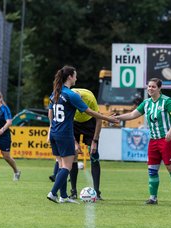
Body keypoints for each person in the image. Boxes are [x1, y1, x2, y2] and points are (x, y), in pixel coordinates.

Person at [46, 65, 118, 204]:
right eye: (75, 75)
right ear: (70, 77)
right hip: (65, 134)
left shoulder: (55, 92)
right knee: (67, 166)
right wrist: (108, 118)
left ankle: (64, 196)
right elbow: (89, 112)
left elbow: (50, 112)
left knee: (61, 165)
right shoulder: (71, 95)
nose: (76, 78)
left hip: (54, 132)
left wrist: (51, 127)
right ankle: (53, 193)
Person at [116, 78, 171, 205]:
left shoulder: (167, 101)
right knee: (152, 170)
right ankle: (153, 198)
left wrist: (170, 132)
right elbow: (133, 115)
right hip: (153, 140)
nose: (150, 89)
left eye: (153, 87)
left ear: (159, 88)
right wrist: (116, 118)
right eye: (149, 86)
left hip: (166, 139)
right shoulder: (147, 103)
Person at [49, 88, 103, 200]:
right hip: (73, 124)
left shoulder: (89, 97)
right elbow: (64, 121)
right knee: (72, 155)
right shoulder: (68, 96)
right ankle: (73, 191)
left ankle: (97, 192)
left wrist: (95, 141)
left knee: (93, 154)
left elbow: (98, 118)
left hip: (89, 122)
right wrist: (74, 143)